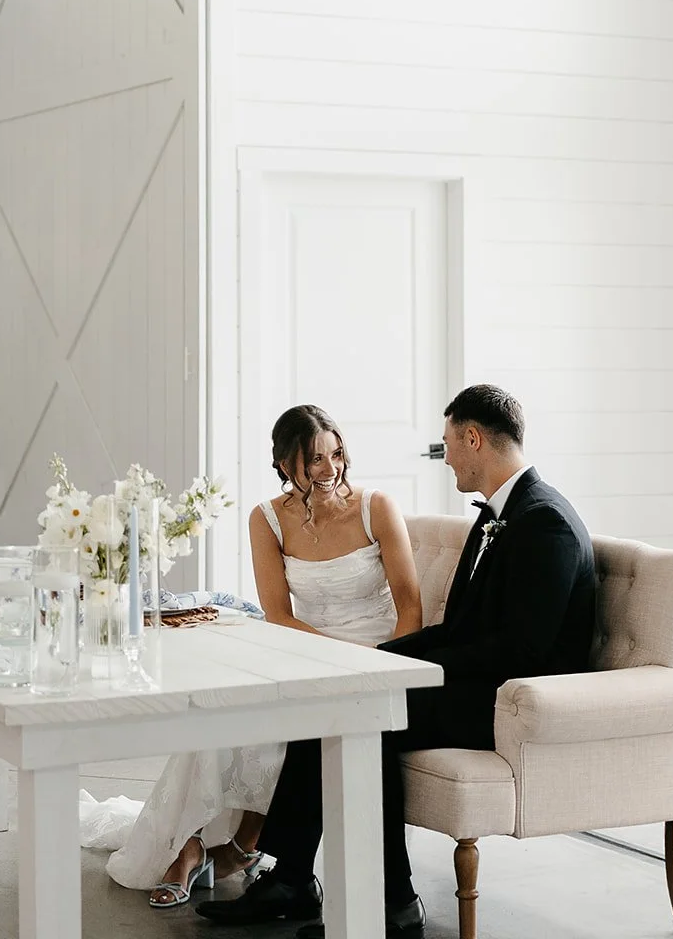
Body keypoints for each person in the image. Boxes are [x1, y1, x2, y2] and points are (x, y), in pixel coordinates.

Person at [199, 383, 597, 937]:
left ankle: (390, 902)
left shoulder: (543, 520)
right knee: (345, 698)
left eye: (449, 443)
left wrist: (411, 670)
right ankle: (295, 880)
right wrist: (382, 661)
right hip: (480, 681)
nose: (447, 456)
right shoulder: (499, 515)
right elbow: (459, 629)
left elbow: (523, 650)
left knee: (367, 717)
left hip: (513, 702)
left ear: (474, 438)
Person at [103, 404, 422, 910]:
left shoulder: (375, 506)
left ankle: (253, 855)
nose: (329, 469)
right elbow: (278, 614)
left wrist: (388, 668)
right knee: (224, 712)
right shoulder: (267, 519)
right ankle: (191, 843)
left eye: (335, 454)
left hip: (378, 658)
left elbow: (410, 607)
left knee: (295, 728)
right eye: (312, 460)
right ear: (284, 464)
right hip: (304, 650)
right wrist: (326, 660)